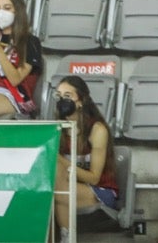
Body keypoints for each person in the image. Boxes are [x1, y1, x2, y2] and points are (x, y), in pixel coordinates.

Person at [51, 75, 119, 237]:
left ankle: (67, 237)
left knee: (53, 191)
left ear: (81, 101)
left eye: (68, 96)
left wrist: (58, 159)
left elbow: (94, 178)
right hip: (66, 187)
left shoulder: (97, 130)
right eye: (59, 96)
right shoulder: (57, 128)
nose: (62, 100)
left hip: (99, 191)